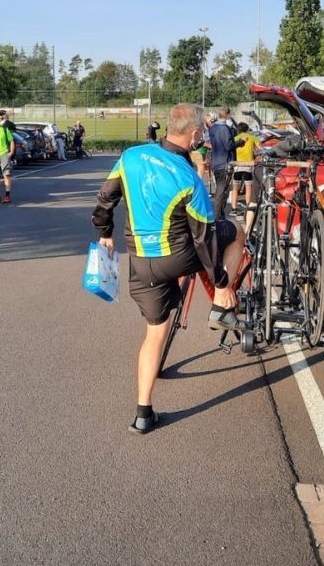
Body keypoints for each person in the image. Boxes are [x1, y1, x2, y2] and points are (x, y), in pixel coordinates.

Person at [92, 103, 246, 435]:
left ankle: (143, 414)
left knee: (154, 334)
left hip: (140, 263)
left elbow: (105, 199)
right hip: (177, 256)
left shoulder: (130, 156)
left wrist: (105, 233)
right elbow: (204, 238)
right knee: (237, 230)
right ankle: (221, 306)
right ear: (195, 134)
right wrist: (221, 282)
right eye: (201, 134)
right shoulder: (188, 177)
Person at [229, 122, 260, 215]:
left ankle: (233, 209)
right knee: (248, 187)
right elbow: (260, 148)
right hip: (248, 165)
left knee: (235, 187)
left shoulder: (235, 138)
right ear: (247, 129)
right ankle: (248, 207)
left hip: (237, 165)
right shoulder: (252, 137)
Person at [208, 108, 236, 198]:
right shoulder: (224, 129)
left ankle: (220, 206)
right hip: (225, 162)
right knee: (222, 190)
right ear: (227, 115)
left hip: (216, 160)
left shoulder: (212, 128)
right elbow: (228, 146)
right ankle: (218, 207)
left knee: (220, 188)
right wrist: (239, 142)